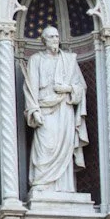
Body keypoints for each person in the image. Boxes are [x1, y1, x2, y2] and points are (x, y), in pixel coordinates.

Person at [23, 23, 88, 197]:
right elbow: (30, 88)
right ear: (43, 41)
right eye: (51, 37)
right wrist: (33, 110)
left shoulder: (69, 59)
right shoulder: (36, 60)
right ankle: (41, 183)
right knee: (45, 146)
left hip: (64, 108)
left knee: (65, 147)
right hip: (45, 109)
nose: (55, 40)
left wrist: (67, 89)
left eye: (57, 36)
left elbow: (81, 87)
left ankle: (65, 188)